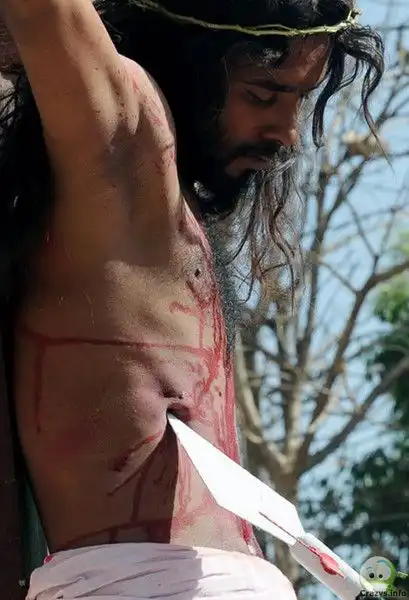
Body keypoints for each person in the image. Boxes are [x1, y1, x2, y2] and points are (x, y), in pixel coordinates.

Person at [0, 0, 384, 598]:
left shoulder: (172, 203)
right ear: (191, 63)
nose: (286, 133)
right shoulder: (129, 141)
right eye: (262, 95)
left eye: (298, 101)